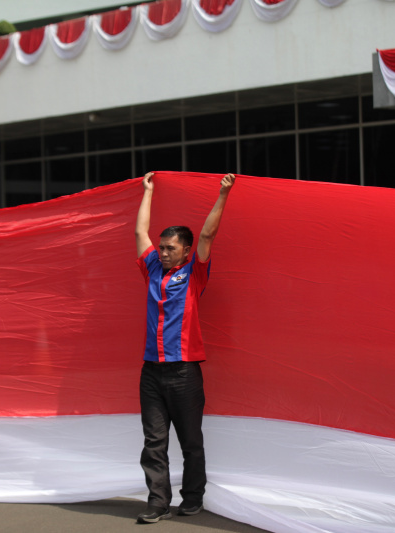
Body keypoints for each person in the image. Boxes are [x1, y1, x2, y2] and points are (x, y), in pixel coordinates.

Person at [134, 171, 236, 524]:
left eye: (170, 248)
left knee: (191, 441)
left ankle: (192, 498)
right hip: (151, 372)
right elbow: (140, 233)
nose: (162, 252)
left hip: (184, 372)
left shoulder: (194, 272)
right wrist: (147, 192)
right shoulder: (151, 268)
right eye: (161, 247)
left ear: (186, 251)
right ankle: (157, 502)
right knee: (154, 442)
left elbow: (207, 234)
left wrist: (223, 194)